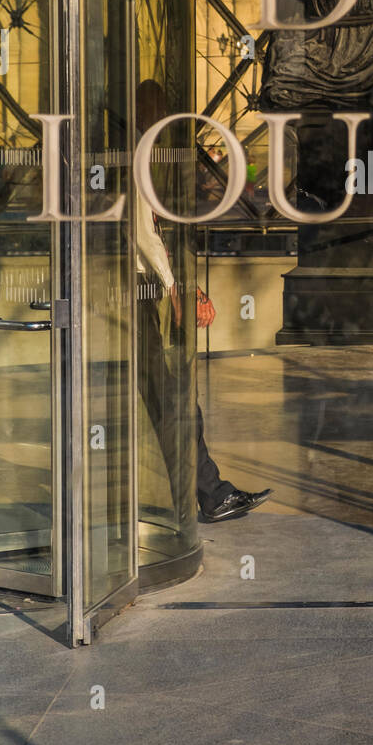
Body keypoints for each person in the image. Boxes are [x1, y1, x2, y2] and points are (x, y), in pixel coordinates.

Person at [135, 78, 272, 523]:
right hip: (141, 297)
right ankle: (208, 495)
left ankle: (201, 495)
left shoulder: (142, 159)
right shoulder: (137, 161)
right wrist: (176, 289)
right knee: (174, 399)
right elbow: (143, 234)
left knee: (173, 400)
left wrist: (184, 285)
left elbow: (154, 235)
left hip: (144, 293)